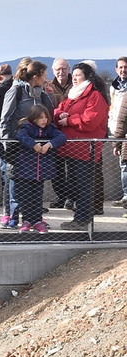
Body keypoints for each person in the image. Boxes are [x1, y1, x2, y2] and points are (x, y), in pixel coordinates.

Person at [54, 61, 110, 230]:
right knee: (76, 185)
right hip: (71, 148)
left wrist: (68, 120)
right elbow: (57, 110)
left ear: (87, 76)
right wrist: (60, 114)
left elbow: (91, 120)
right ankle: (80, 218)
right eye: (75, 75)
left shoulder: (95, 96)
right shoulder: (74, 95)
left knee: (84, 186)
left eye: (78, 75)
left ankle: (83, 219)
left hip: (86, 149)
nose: (75, 78)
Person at [0, 60, 53, 230]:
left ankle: (33, 218)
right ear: (35, 76)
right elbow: (5, 120)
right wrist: (8, 145)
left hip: (37, 148)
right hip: (18, 145)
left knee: (35, 184)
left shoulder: (41, 94)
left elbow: (48, 116)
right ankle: (12, 217)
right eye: (44, 76)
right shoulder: (16, 91)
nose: (46, 79)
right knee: (14, 181)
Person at [13, 104, 67, 233]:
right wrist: (33, 145)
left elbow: (62, 137)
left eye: (46, 117)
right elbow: (20, 136)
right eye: (41, 118)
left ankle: (37, 220)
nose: (44, 120)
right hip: (25, 170)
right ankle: (26, 221)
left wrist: (49, 144)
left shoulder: (50, 129)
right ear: (34, 118)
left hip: (40, 171)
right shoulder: (27, 128)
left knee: (37, 196)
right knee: (25, 197)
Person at [47, 58, 73, 208]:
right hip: (54, 132)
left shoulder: (75, 84)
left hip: (72, 132)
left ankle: (71, 197)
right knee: (56, 168)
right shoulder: (48, 86)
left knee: (72, 168)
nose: (61, 72)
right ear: (53, 70)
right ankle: (61, 196)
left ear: (68, 69)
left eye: (64, 69)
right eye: (58, 69)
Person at [110, 57, 127, 212]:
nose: (123, 70)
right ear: (116, 69)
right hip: (119, 131)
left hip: (122, 133)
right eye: (121, 67)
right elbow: (117, 113)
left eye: (126, 67)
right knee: (124, 166)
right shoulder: (113, 87)